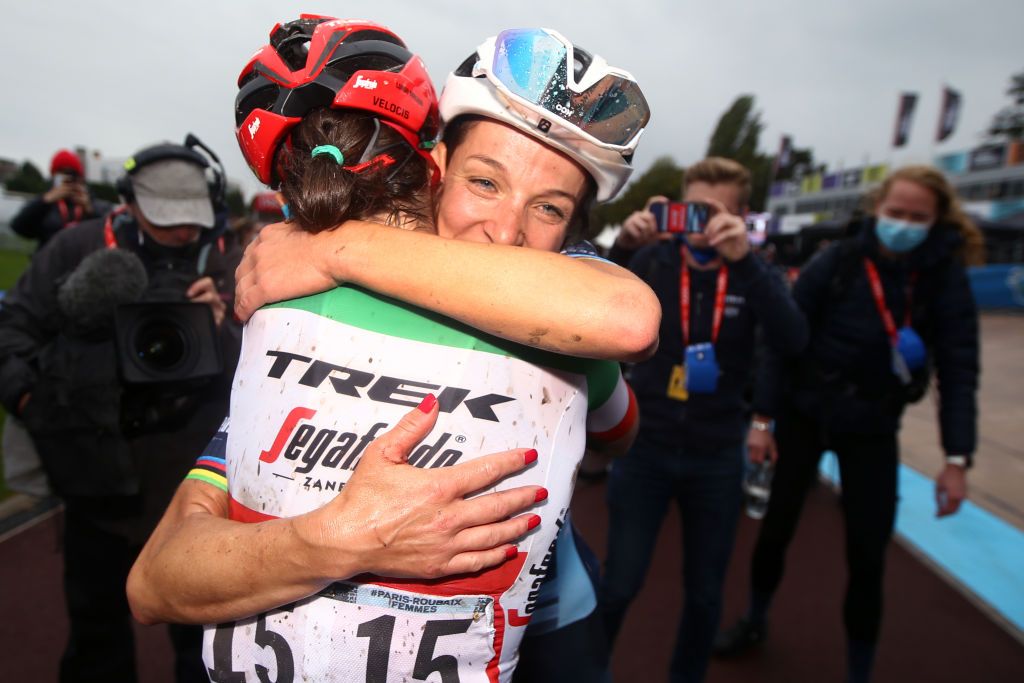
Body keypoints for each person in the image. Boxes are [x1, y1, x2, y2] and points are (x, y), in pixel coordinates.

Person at [128, 19, 653, 683]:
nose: (506, 232)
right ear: (433, 169)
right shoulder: (312, 313)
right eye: (485, 183)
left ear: (572, 227)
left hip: (552, 623)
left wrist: (328, 247)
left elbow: (626, 326)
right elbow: (154, 579)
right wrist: (336, 538)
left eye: (548, 209)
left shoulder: (572, 323)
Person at [715, 165, 981, 683]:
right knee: (776, 531)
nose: (903, 223)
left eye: (917, 217)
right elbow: (784, 339)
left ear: (937, 220)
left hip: (874, 423)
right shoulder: (838, 259)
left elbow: (960, 367)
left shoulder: (944, 278)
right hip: (805, 411)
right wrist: (764, 420)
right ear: (877, 209)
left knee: (868, 553)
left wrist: (956, 459)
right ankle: (755, 618)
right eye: (895, 213)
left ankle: (859, 668)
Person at [0, 137, 242, 682]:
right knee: (96, 638)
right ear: (130, 203)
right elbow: (11, 330)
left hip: (189, 487)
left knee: (200, 648)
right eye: (166, 218)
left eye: (191, 219)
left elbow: (255, 372)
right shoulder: (76, 249)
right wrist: (31, 401)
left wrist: (222, 325)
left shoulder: (223, 258)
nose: (183, 232)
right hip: (94, 477)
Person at [598, 157, 809, 683]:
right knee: (620, 583)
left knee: (705, 593)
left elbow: (794, 340)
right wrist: (622, 247)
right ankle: (587, 668)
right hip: (646, 446)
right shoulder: (650, 259)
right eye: (692, 208)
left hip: (716, 453)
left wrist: (749, 264)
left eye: (714, 212)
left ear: (741, 215)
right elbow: (593, 308)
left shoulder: (754, 271)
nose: (700, 223)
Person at [10, 148, 113, 250]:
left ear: (80, 178)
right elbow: (18, 226)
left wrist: (90, 209)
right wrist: (44, 202)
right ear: (54, 177)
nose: (68, 180)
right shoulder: (45, 204)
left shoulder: (93, 204)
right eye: (62, 174)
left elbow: (111, 233)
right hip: (49, 262)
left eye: (72, 175)